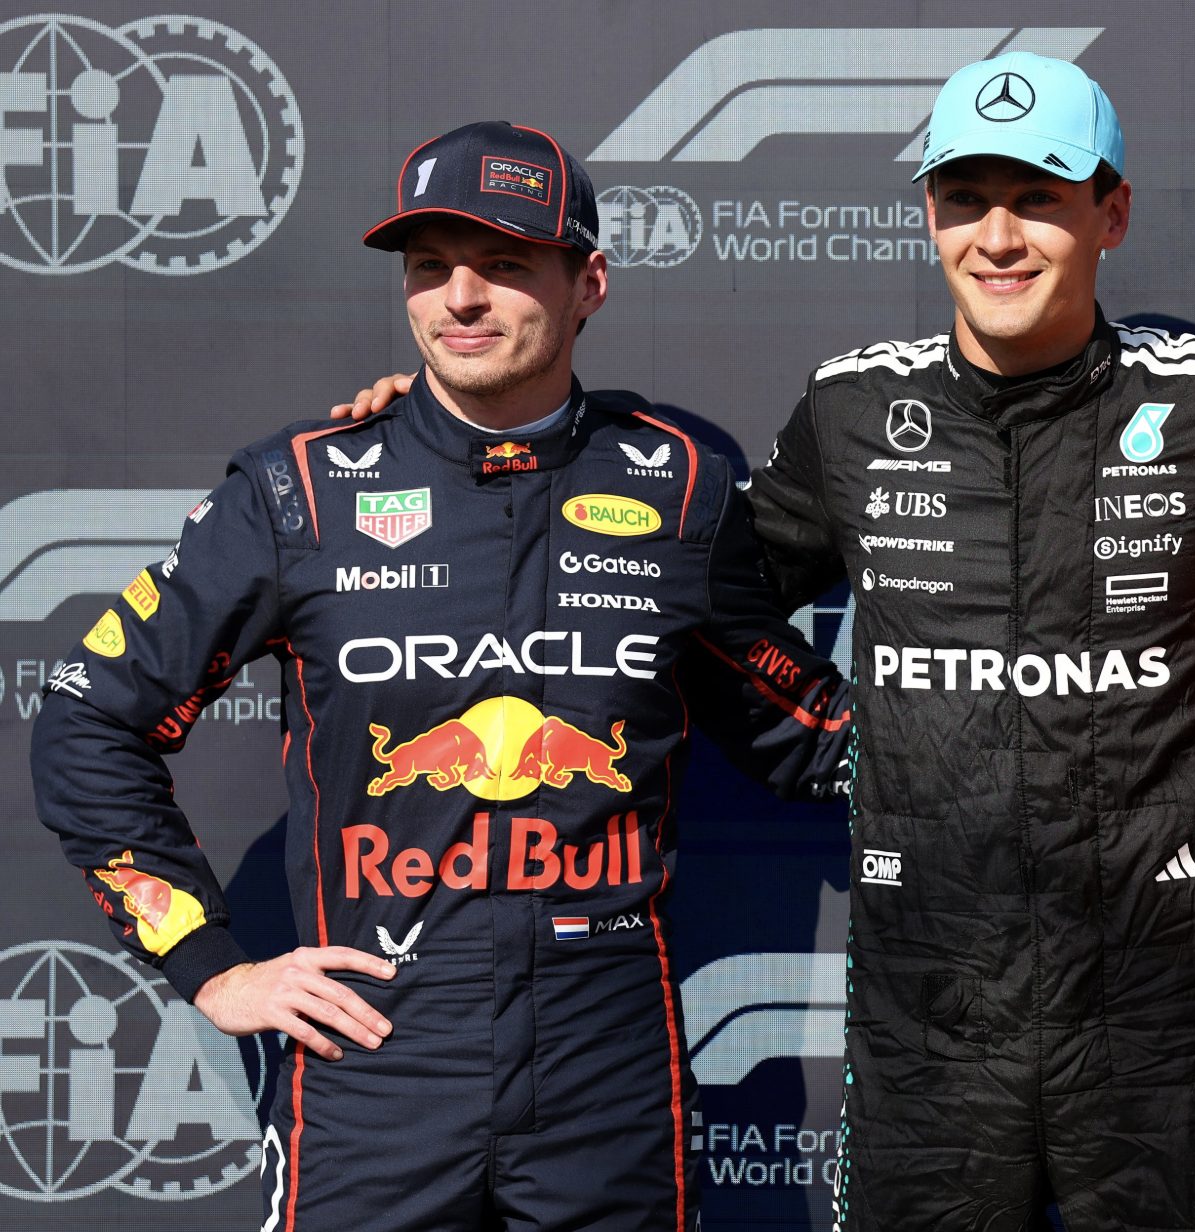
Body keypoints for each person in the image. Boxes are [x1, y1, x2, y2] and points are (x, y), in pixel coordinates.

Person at [332, 61, 1195, 1230]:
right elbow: (693, 587)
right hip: (925, 1029)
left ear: (1111, 213)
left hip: (1162, 1025)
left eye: (1037, 198)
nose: (998, 236)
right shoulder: (854, 407)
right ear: (928, 216)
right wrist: (445, 432)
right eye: (964, 199)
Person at [33, 120, 850, 1232]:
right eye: (430, 267)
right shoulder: (298, 491)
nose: (460, 298)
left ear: (588, 284)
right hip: (374, 1056)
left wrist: (1026, 733)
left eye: (504, 263)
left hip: (606, 1063)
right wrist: (210, 964)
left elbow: (801, 728)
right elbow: (87, 721)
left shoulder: (680, 489)